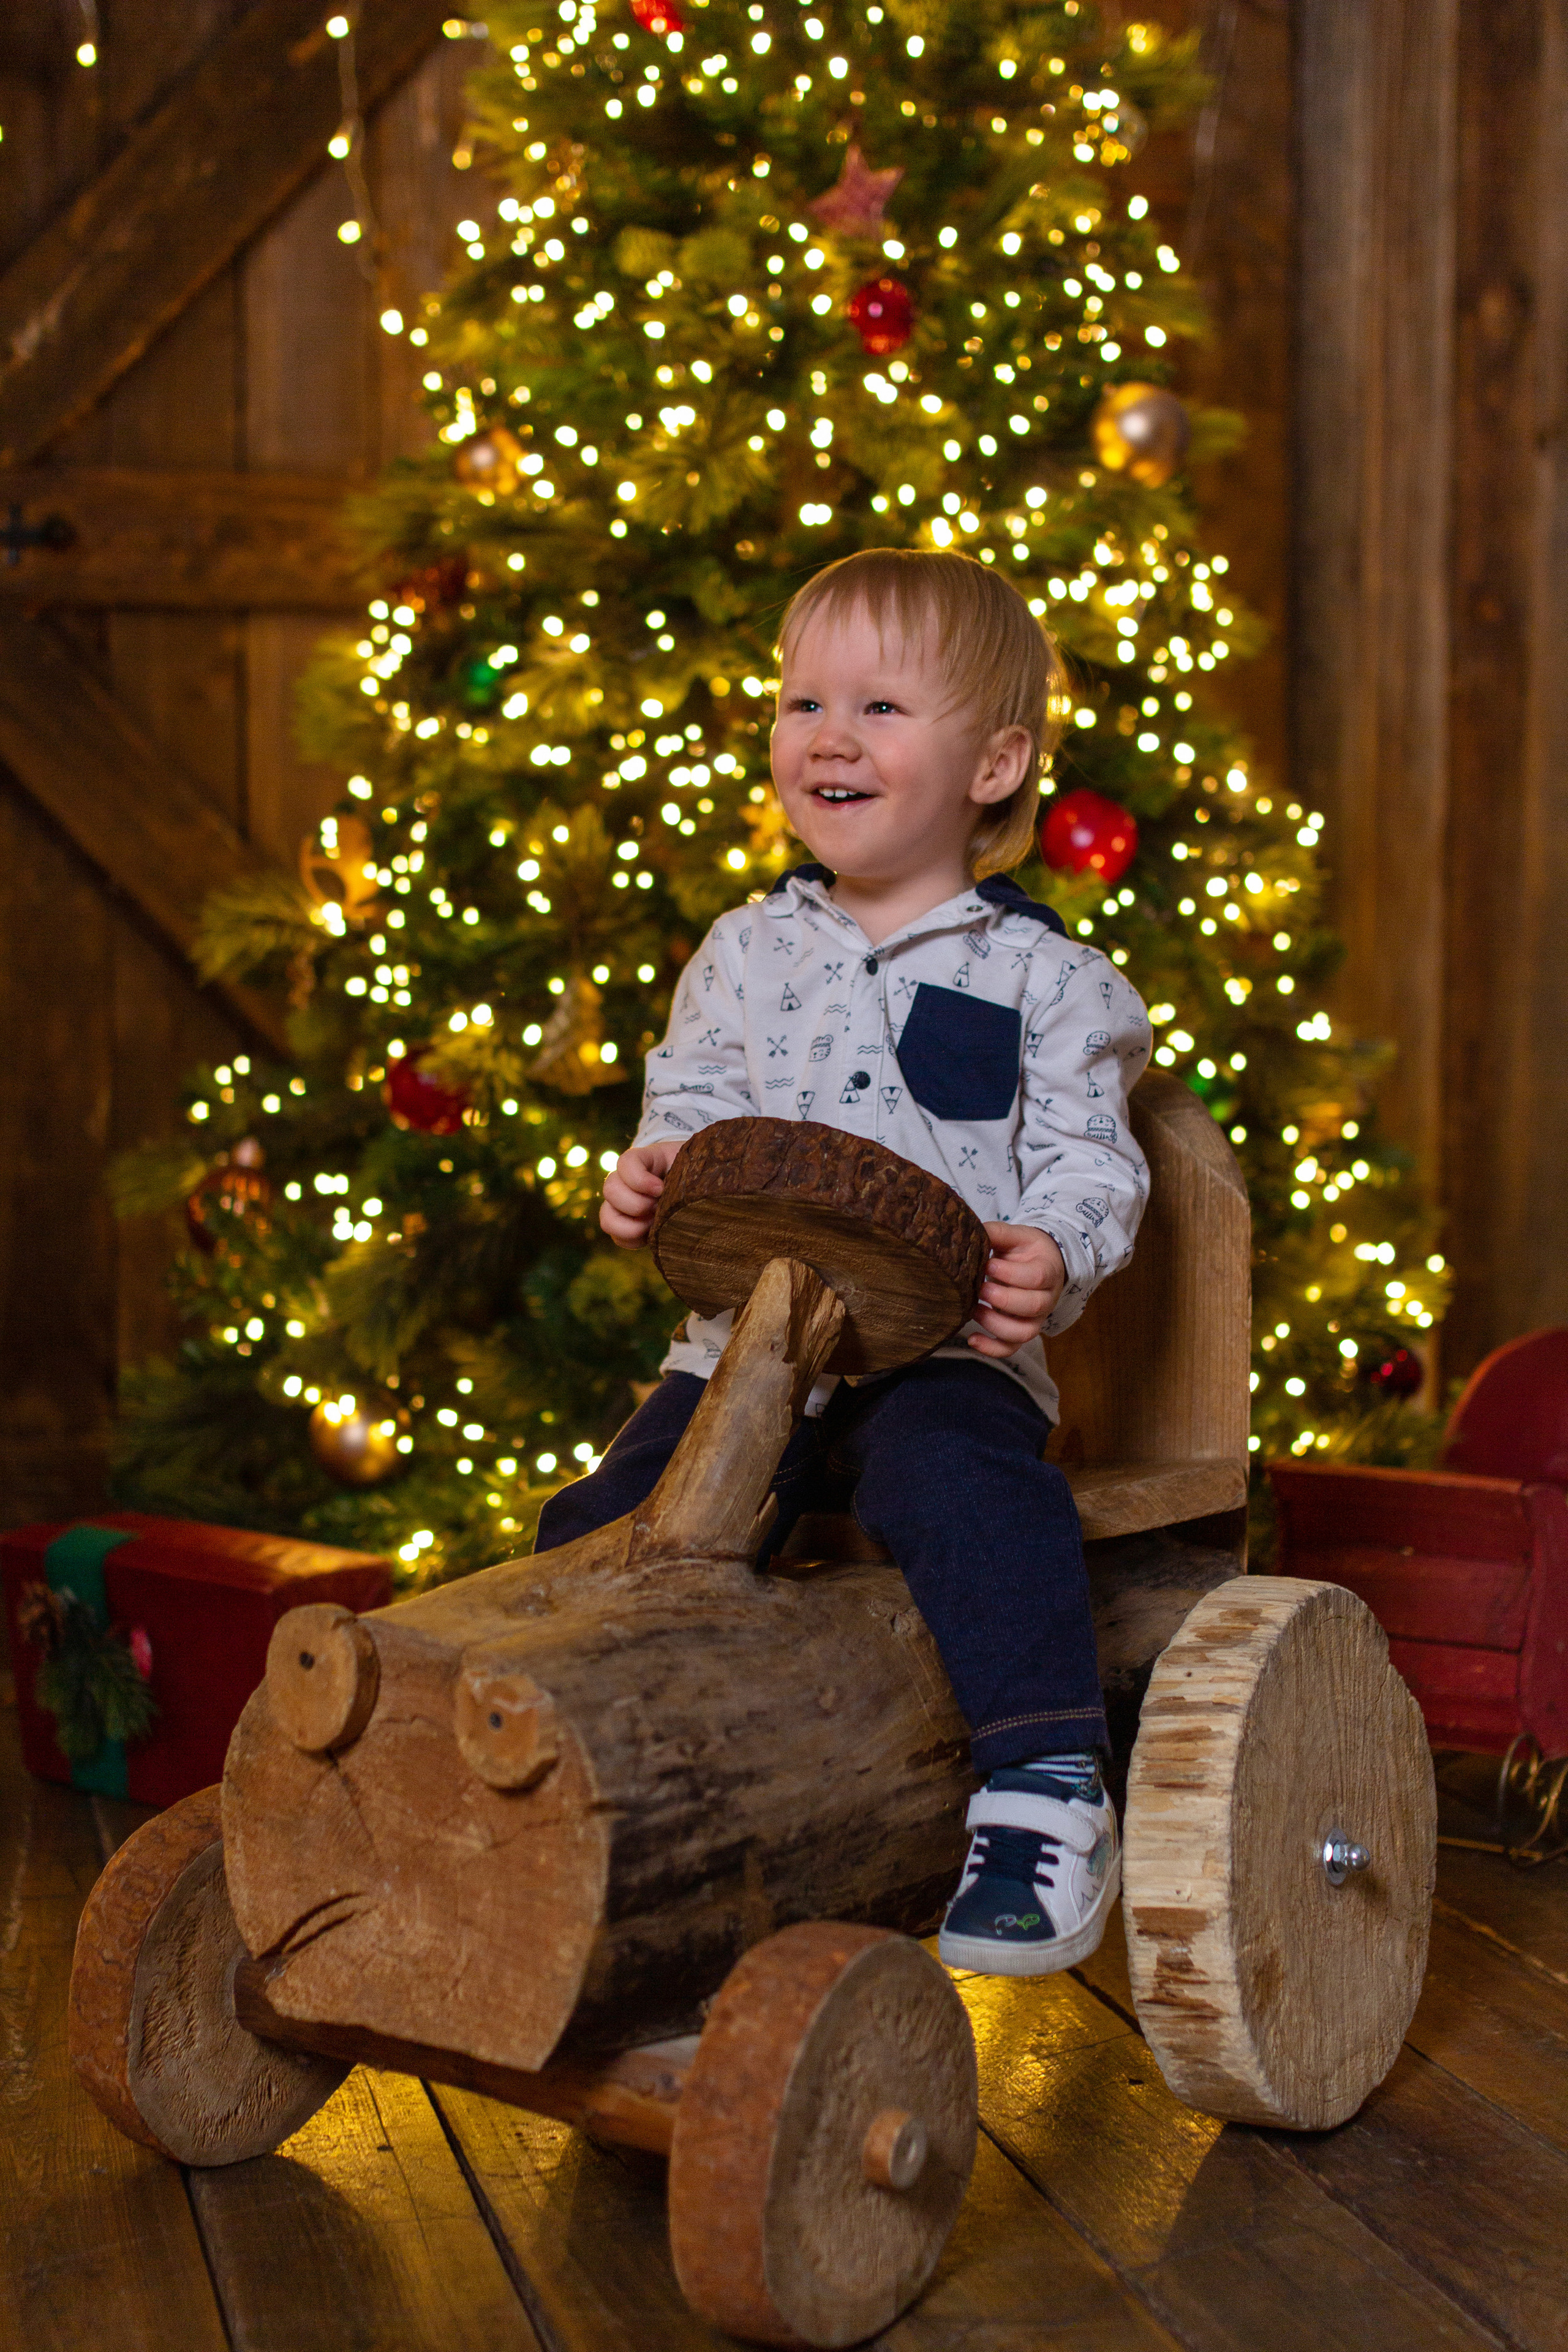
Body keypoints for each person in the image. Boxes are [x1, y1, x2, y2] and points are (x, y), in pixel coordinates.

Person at [536, 548, 1151, 1975]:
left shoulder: (1043, 980)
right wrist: (652, 1176)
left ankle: (1044, 1783)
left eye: (877, 707)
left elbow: (1088, 1161)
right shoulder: (744, 953)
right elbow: (688, 1101)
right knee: (612, 1520)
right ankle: (560, 1773)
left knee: (962, 1487)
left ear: (994, 763)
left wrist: (1049, 1252)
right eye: (800, 701)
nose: (824, 734)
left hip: (939, 1355)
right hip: (745, 1345)